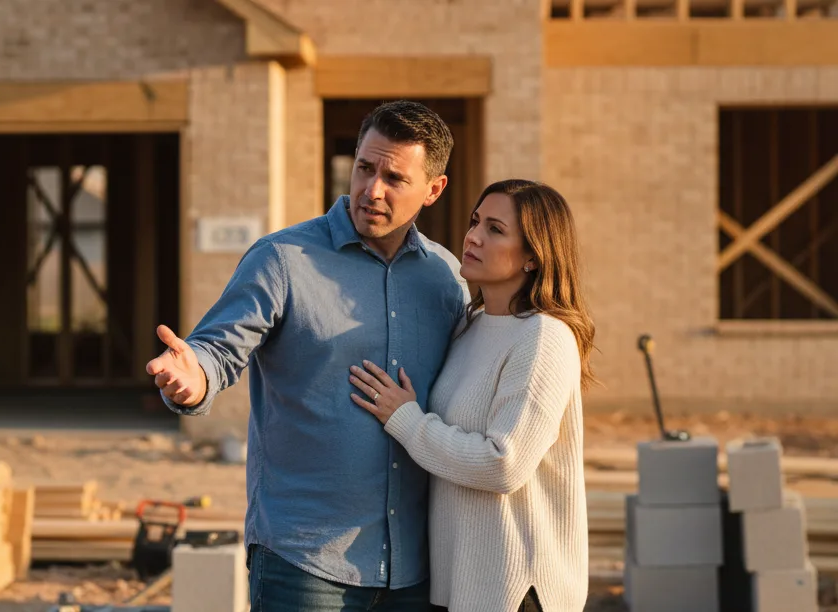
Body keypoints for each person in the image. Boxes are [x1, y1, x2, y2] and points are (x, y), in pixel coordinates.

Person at [145, 100, 468, 611]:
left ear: (434, 189)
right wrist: (195, 377)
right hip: (305, 564)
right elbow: (218, 349)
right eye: (364, 167)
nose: (371, 190)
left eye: (394, 178)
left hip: (415, 569)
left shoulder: (446, 280)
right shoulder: (283, 259)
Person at [349, 179, 596, 612]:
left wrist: (406, 420)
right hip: (460, 587)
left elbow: (504, 464)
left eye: (496, 230)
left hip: (516, 589)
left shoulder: (544, 337)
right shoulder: (470, 326)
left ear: (534, 256)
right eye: (475, 221)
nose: (473, 237)